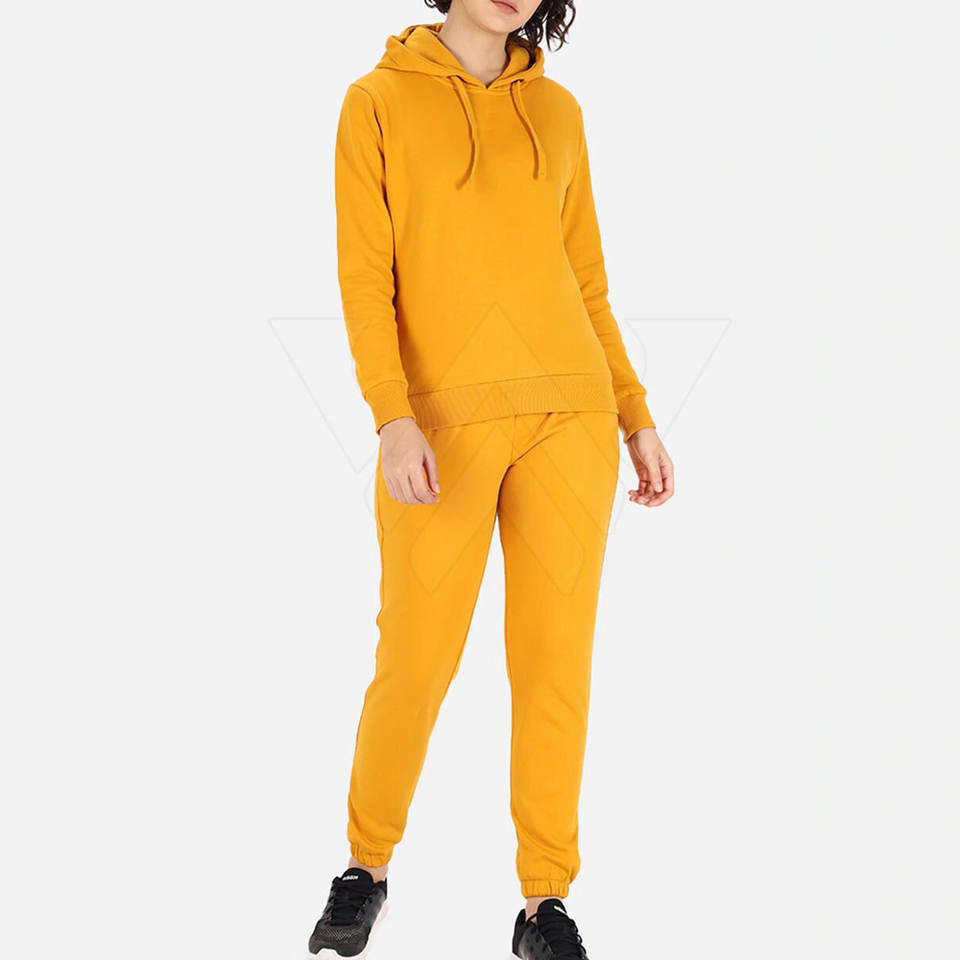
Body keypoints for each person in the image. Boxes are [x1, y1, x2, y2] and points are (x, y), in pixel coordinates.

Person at [309, 2, 674, 956]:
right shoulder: (376, 102)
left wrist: (634, 412)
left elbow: (586, 279)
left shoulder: (558, 112)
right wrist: (391, 417)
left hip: (572, 415)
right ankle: (365, 865)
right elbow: (364, 277)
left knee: (556, 663)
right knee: (416, 657)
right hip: (440, 426)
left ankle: (545, 901)